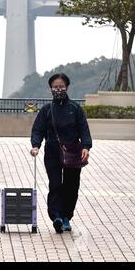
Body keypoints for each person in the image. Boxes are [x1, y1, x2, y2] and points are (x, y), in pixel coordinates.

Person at [30, 73, 92, 234]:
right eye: (55, 87)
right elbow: (38, 129)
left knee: (72, 186)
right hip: (52, 152)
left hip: (72, 152)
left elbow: (84, 129)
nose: (58, 89)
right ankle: (56, 216)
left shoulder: (75, 109)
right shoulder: (46, 110)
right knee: (55, 184)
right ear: (51, 89)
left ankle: (66, 218)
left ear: (67, 87)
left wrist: (86, 146)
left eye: (61, 86)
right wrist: (35, 145)